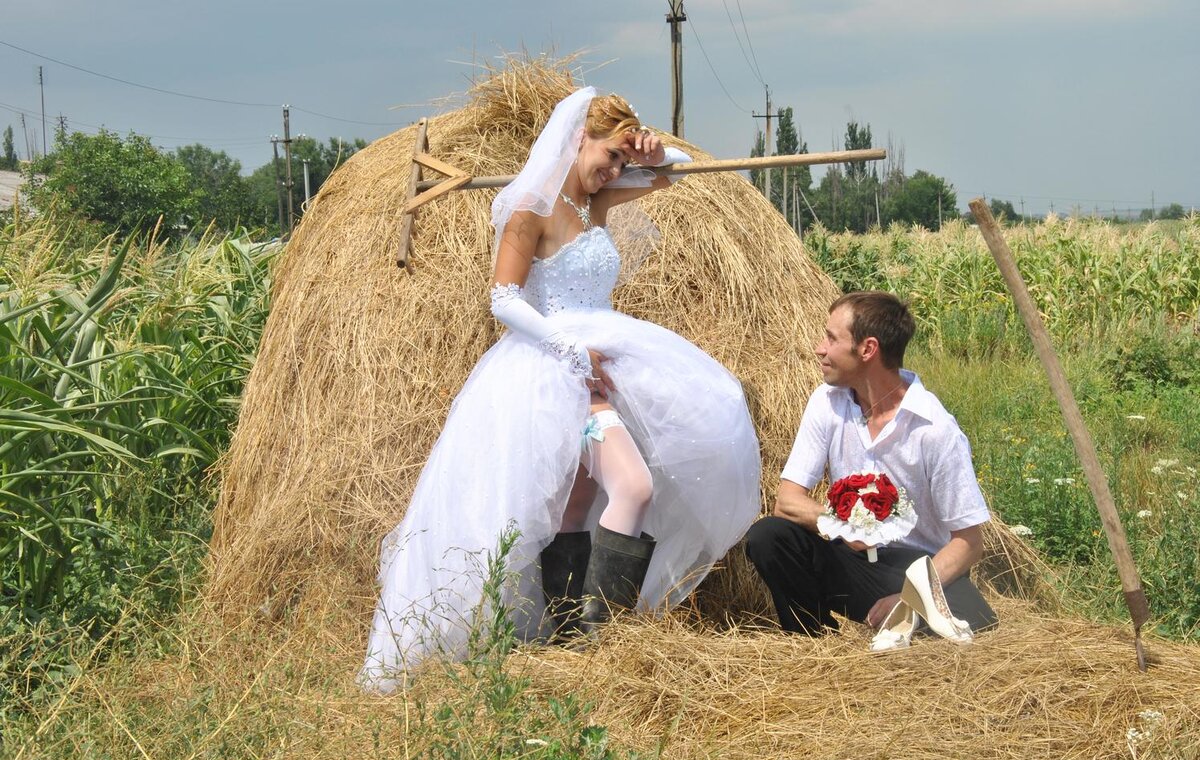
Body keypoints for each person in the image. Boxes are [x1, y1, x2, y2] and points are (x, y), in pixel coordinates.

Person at [359, 86, 761, 692]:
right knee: (632, 484)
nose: (616, 171)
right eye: (611, 155)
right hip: (550, 372)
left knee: (576, 502)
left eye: (624, 162)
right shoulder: (530, 207)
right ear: (579, 138)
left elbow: (674, 175)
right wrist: (569, 351)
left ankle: (570, 634)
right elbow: (503, 300)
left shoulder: (594, 199)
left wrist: (655, 153)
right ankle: (601, 642)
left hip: (601, 363)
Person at [744, 291, 997, 643]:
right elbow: (786, 501)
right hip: (851, 560)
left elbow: (969, 544)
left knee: (974, 619)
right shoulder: (826, 403)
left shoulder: (933, 429)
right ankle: (813, 644)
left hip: (917, 569)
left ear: (867, 349)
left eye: (832, 339)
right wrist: (842, 528)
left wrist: (909, 599)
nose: (820, 348)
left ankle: (908, 625)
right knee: (769, 537)